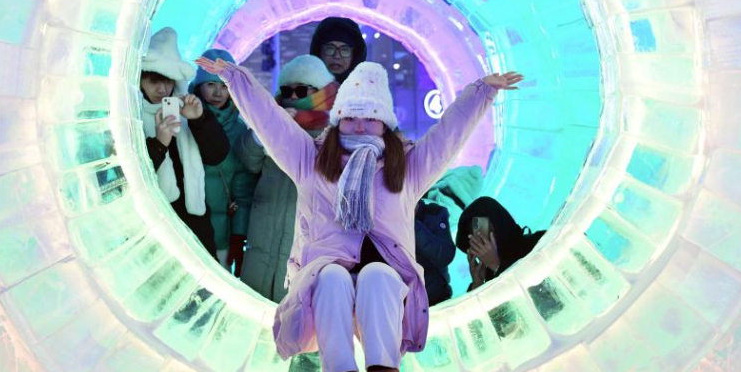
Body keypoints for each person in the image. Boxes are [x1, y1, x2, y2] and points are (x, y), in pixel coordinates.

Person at [195, 54, 522, 372]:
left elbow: (447, 136)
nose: (359, 126)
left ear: (384, 124)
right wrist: (235, 79)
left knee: (377, 275)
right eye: (350, 117)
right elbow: (272, 124)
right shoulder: (311, 161)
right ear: (338, 121)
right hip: (325, 278)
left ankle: (383, 368)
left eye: (369, 117)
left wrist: (483, 90)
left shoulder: (406, 169)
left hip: (385, 281)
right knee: (333, 277)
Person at [236, 55, 339, 303]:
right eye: (287, 90)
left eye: (302, 90)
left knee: (298, 320)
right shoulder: (271, 119)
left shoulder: (335, 131)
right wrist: (269, 126)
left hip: (303, 242)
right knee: (255, 312)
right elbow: (248, 160)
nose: (293, 97)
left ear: (320, 92)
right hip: (263, 236)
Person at [141, 27, 230, 258]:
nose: (162, 89)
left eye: (168, 81)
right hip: (156, 227)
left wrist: (199, 119)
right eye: (154, 81)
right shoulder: (132, 117)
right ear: (140, 80)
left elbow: (216, 154)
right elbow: (130, 178)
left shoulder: (186, 110)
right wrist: (160, 143)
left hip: (195, 223)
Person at [190, 48, 257, 274]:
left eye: (224, 86)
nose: (218, 92)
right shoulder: (184, 122)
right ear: (198, 85)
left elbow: (243, 189)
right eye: (211, 84)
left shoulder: (239, 130)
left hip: (222, 235)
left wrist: (238, 234)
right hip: (185, 227)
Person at [456, 196, 545, 292]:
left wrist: (497, 266)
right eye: (475, 240)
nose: (482, 244)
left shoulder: (539, 242)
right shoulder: (488, 275)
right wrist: (477, 284)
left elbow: (546, 293)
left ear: (499, 224)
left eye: (484, 233)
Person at [414, 200, 455, 306]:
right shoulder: (385, 222)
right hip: (406, 307)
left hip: (438, 299)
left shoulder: (434, 213)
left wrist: (411, 223)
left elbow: (445, 255)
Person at [309, 17, 367, 84]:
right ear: (319, 51)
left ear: (354, 55)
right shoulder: (301, 91)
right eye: (330, 48)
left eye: (344, 50)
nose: (337, 56)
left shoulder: (367, 92)